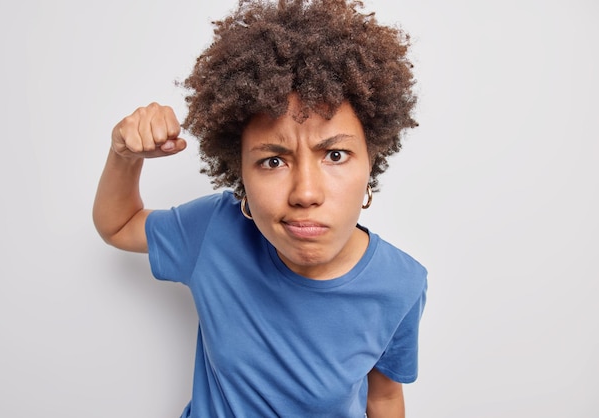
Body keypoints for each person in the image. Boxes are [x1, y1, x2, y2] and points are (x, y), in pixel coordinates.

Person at [93, 0, 427, 417]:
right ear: (240, 175)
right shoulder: (214, 231)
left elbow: (383, 397)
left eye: (336, 155)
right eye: (273, 161)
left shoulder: (401, 284)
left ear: (371, 160)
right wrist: (125, 155)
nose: (305, 193)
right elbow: (118, 225)